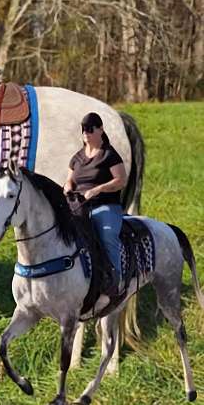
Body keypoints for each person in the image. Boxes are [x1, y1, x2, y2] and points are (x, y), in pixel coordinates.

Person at [63, 112, 127, 294]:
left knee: (107, 235)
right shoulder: (76, 157)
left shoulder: (109, 155)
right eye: (84, 130)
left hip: (105, 205)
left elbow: (120, 180)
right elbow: (69, 180)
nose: (86, 133)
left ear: (100, 130)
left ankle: (115, 279)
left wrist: (98, 189)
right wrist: (67, 187)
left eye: (90, 129)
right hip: (79, 205)